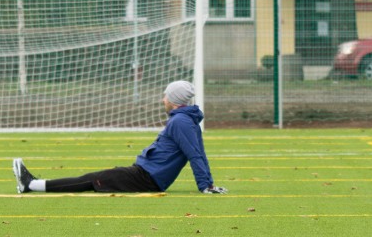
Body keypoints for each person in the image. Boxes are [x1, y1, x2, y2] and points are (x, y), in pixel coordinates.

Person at [12, 80, 228, 195]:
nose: (163, 99)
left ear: (174, 99)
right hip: (142, 174)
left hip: (145, 178)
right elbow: (197, 153)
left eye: (166, 96)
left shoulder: (181, 122)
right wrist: (207, 184)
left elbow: (195, 155)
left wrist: (205, 186)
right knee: (93, 178)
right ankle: (32, 184)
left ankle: (31, 185)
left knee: (89, 180)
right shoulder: (183, 120)